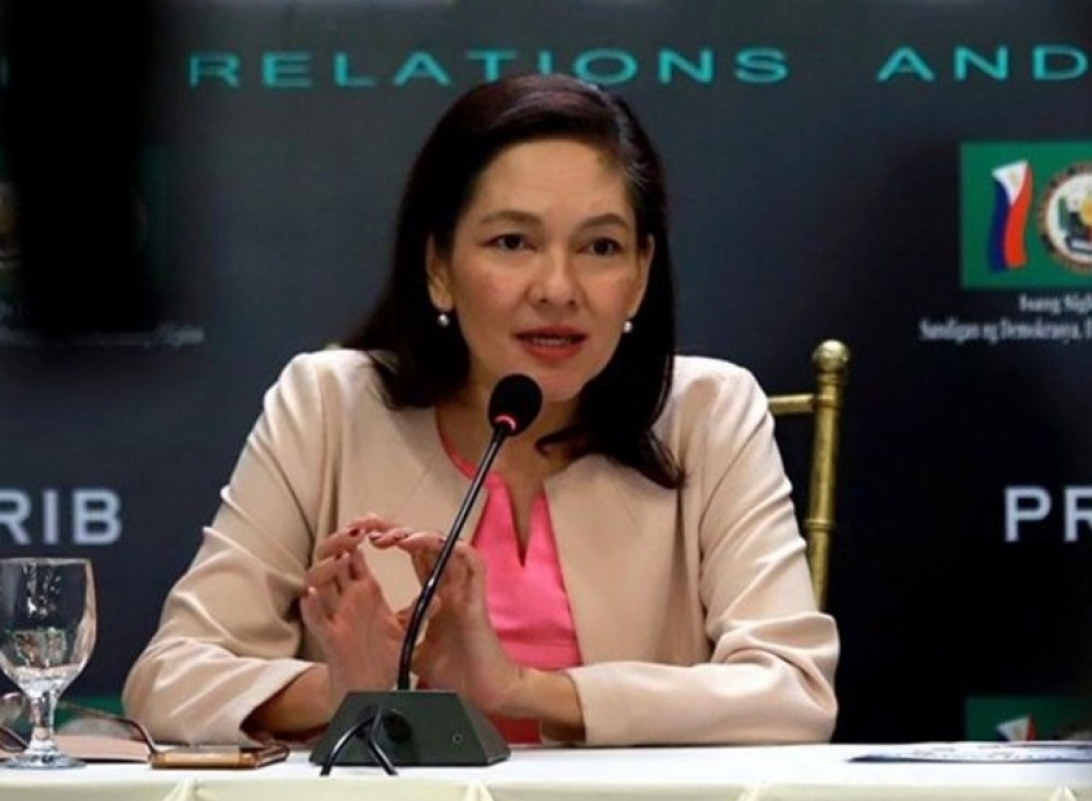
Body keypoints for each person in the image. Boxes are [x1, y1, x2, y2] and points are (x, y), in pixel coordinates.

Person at [122, 73, 839, 747]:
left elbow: (792, 693)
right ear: (438, 266)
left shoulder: (710, 413)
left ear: (641, 274)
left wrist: (524, 689)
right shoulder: (329, 405)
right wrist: (341, 690)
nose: (558, 287)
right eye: (512, 242)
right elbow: (169, 679)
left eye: (600, 246)